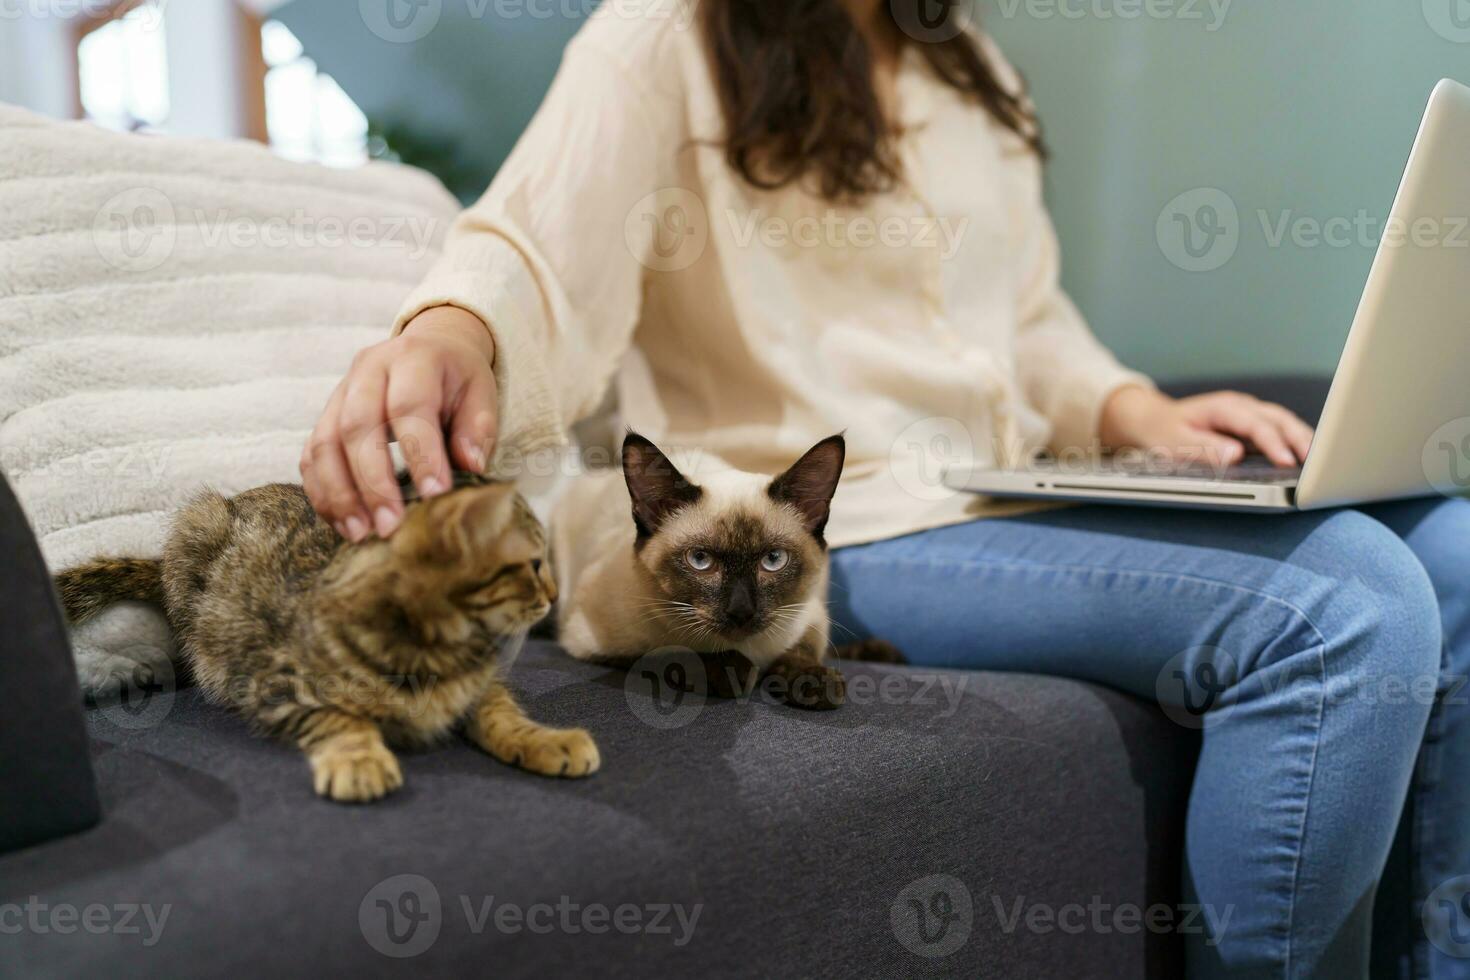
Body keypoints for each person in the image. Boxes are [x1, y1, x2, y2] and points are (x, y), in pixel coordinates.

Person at [300, 1, 1468, 975]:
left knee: (1456, 551)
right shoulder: (667, 32)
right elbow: (533, 242)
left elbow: (1024, 320)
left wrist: (1134, 411)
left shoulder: (964, 60)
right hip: (837, 530)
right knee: (1347, 605)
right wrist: (451, 326)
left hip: (1005, 487)